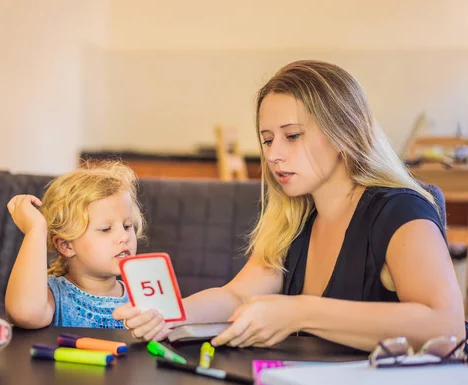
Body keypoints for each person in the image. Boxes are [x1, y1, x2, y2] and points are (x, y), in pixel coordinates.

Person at [114, 60, 466, 351]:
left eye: (292, 136)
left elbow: (446, 326)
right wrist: (171, 314)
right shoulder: (296, 215)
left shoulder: (401, 211)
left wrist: (298, 311)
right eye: (267, 140)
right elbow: (237, 296)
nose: (273, 154)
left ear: (344, 131)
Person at [5, 160, 146, 329]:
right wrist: (35, 230)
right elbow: (24, 314)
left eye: (127, 226)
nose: (124, 236)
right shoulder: (53, 295)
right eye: (106, 229)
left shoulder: (143, 295)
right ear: (66, 246)